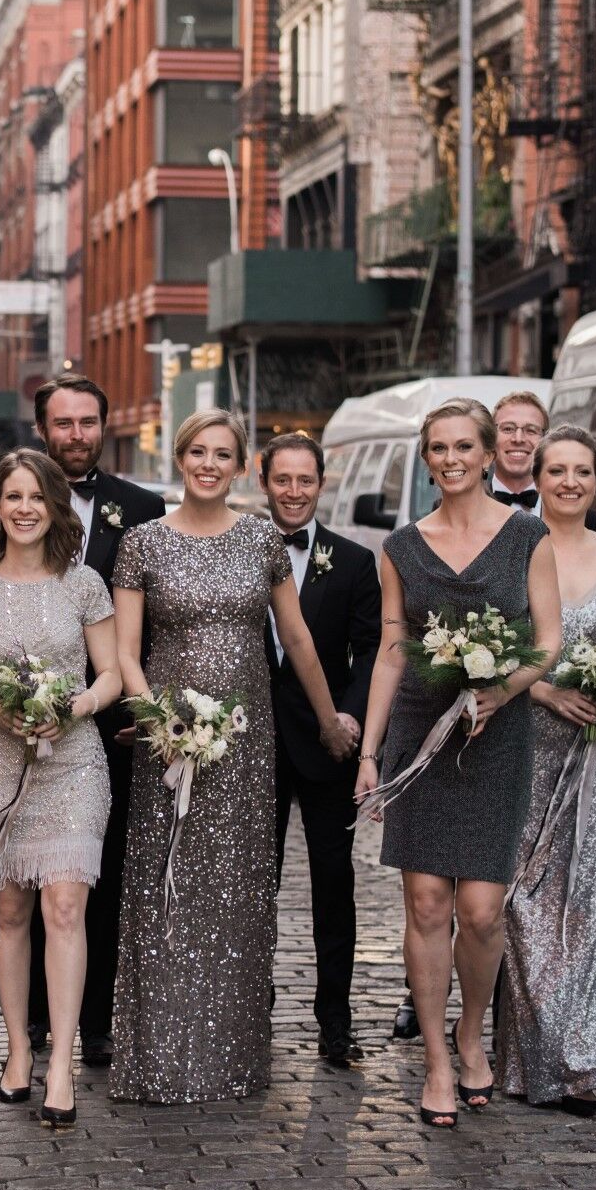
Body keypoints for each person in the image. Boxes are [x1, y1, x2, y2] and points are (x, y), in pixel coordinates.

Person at [111, 410, 357, 1105]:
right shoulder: (143, 543)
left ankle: (233, 1055)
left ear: (239, 464)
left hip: (247, 749)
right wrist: (158, 721)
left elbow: (300, 641)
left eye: (222, 453)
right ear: (180, 456)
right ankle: (159, 1055)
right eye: (197, 451)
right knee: (169, 892)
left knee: (238, 895)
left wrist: (328, 720)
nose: (209, 464)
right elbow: (128, 651)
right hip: (169, 746)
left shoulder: (259, 540)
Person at [355, 398, 561, 1129]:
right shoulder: (402, 546)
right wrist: (372, 753)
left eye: (462, 446)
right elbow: (388, 649)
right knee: (427, 905)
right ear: (427, 457)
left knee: (480, 911)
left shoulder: (528, 536)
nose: (450, 459)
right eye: (436, 448)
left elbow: (549, 641)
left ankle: (474, 1030)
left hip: (495, 738)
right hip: (421, 734)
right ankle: (440, 1061)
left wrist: (500, 691)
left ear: (486, 453)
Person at [0, 449, 119, 1128]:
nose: (23, 509)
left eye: (35, 498)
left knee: (66, 905)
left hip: (73, 761)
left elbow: (109, 675)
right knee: (10, 909)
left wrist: (71, 707)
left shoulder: (84, 585)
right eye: (11, 497)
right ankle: (19, 1048)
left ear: (53, 507)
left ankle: (60, 1063)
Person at [497, 426, 596, 1117]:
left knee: (589, 897)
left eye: (581, 470)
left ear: (595, 479)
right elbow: (492, 650)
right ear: (537, 474)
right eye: (555, 469)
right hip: (531, 741)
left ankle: (581, 1062)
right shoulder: (512, 548)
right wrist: (545, 689)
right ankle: (533, 1059)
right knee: (525, 897)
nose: (568, 481)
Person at [35, 375, 166, 1067]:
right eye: (64, 422)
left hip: (112, 721)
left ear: (103, 426)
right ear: (42, 429)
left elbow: (160, 621)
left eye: (88, 420)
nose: (76, 433)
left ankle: (96, 1018)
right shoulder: (12, 501)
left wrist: (147, 707)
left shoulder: (142, 509)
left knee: (102, 870)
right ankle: (33, 1014)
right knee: (26, 869)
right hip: (18, 720)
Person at [259, 433, 380, 1068]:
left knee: (335, 884)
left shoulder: (356, 562)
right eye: (284, 480)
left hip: (331, 743)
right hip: (252, 743)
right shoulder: (241, 550)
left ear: (322, 485)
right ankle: (252, 1010)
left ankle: (336, 1017)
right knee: (255, 884)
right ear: (265, 482)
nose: (295, 492)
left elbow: (369, 653)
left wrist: (350, 718)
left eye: (306, 480)